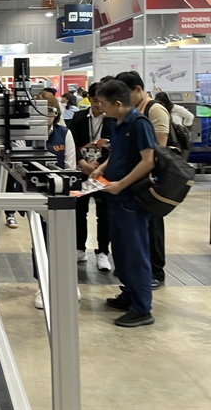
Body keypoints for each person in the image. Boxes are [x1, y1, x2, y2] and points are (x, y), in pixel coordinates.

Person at [90, 80, 156, 327]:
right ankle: (129, 294)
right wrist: (101, 169)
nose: (101, 108)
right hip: (115, 197)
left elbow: (147, 161)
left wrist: (122, 184)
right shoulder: (117, 123)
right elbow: (117, 154)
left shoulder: (139, 124)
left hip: (131, 199)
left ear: (117, 103)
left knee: (135, 253)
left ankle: (142, 308)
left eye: (104, 104)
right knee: (121, 250)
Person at [115, 71, 169, 290]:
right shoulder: (132, 112)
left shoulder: (153, 110)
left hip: (150, 182)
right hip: (134, 183)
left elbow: (158, 151)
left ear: (137, 89)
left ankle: (156, 272)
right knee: (137, 235)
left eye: (125, 92)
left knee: (152, 228)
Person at [33, 100, 77, 309]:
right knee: (41, 241)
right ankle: (42, 285)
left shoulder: (64, 134)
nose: (46, 116)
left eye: (50, 111)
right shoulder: (26, 133)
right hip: (36, 195)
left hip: (61, 194)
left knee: (64, 240)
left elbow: (70, 165)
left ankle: (68, 283)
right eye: (41, 111)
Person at [68, 82, 114, 271]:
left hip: (103, 172)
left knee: (104, 214)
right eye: (95, 101)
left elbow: (114, 146)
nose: (99, 105)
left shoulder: (112, 119)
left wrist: (98, 165)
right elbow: (72, 142)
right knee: (79, 211)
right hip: (81, 171)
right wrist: (83, 164)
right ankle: (79, 248)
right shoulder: (79, 117)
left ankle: (102, 252)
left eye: (102, 101)